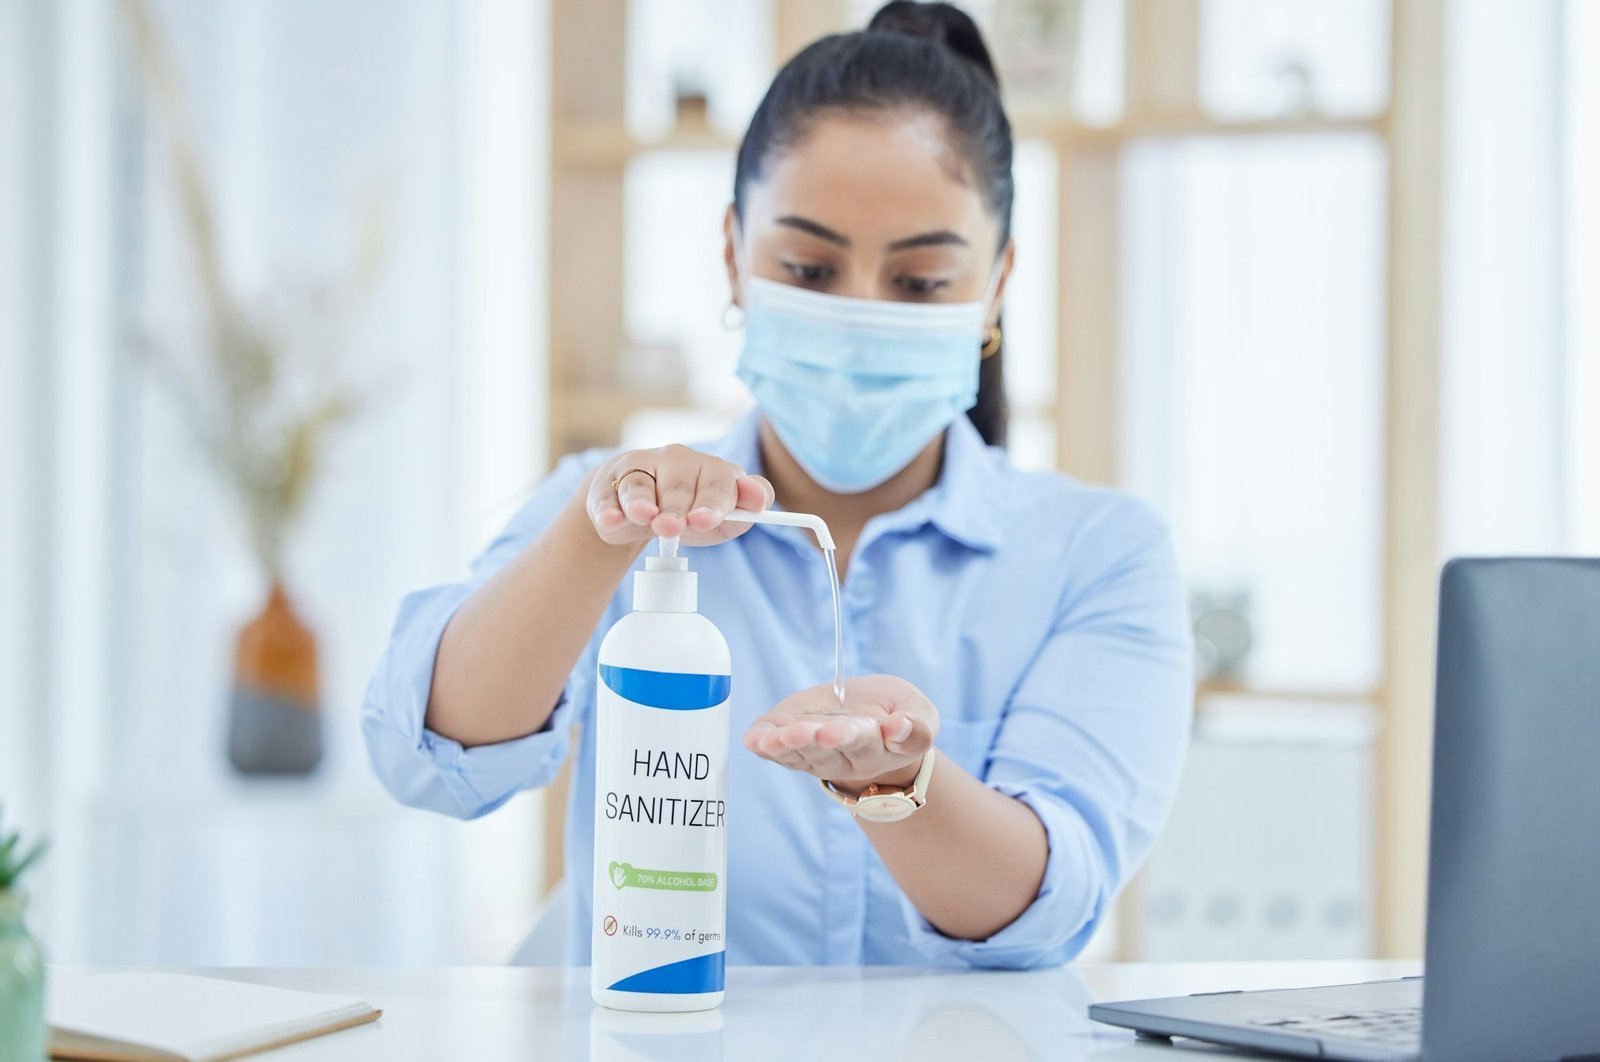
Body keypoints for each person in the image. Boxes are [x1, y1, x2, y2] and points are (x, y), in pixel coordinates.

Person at [363, 0, 1192, 970]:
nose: (859, 312)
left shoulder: (1095, 554)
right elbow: (424, 759)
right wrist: (597, 543)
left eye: (920, 282)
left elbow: (1049, 906)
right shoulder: (611, 513)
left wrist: (899, 782)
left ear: (996, 286)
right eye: (808, 264)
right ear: (732, 255)